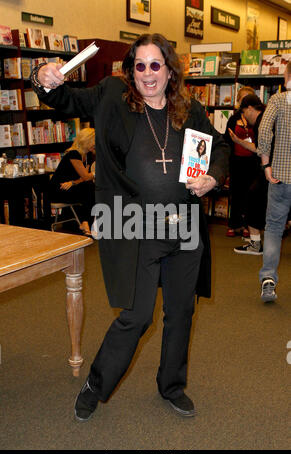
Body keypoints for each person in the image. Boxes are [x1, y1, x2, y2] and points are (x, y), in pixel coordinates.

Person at [31, 33, 229, 421]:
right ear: (131, 71)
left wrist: (213, 178)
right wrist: (44, 76)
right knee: (137, 316)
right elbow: (63, 97)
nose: (147, 74)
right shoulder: (110, 97)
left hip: (185, 227)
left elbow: (219, 148)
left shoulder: (191, 111)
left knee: (180, 312)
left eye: (156, 65)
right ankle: (96, 383)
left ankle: (171, 385)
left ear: (170, 71)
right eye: (140, 66)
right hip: (135, 225)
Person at [257, 61, 291, 302]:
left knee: (274, 228)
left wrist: (266, 164)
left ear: (287, 76)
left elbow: (264, 131)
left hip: (280, 175)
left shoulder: (278, 101)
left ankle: (268, 280)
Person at [228, 94, 267, 255]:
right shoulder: (265, 118)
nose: (244, 116)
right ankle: (256, 242)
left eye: (244, 112)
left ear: (250, 108)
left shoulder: (261, 123)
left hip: (271, 169)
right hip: (273, 168)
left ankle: (256, 244)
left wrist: (267, 169)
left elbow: (262, 150)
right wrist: (238, 141)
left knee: (253, 197)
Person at [49, 127, 96, 236]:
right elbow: (86, 176)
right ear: (86, 141)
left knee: (90, 188)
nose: (95, 144)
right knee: (90, 188)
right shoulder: (73, 154)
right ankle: (85, 222)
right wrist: (95, 173)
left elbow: (83, 178)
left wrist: (73, 182)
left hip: (71, 187)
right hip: (59, 189)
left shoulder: (87, 155)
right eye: (93, 142)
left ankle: (85, 222)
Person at [224, 86, 257, 238]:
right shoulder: (233, 119)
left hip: (253, 162)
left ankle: (246, 225)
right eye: (242, 98)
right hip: (236, 162)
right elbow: (226, 140)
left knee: (249, 195)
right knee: (235, 193)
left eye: (248, 98)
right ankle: (233, 224)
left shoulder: (257, 119)